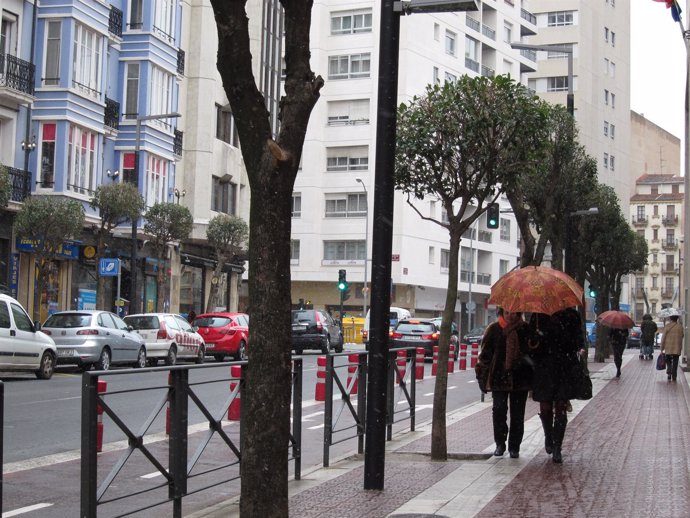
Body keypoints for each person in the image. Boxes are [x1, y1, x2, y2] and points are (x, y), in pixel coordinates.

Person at [475, 308, 533, 459]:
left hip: (520, 377)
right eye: (507, 312)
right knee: (499, 409)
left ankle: (515, 446)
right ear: (501, 312)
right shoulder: (494, 329)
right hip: (499, 377)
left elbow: (532, 351)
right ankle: (500, 443)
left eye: (513, 312)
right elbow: (486, 353)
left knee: (518, 414)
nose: (510, 315)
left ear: (519, 313)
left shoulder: (525, 329)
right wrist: (482, 371)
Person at [528, 308, 584, 464]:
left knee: (561, 404)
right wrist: (538, 338)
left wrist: (578, 346)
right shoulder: (538, 315)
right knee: (545, 406)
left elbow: (578, 338)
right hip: (544, 366)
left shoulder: (572, 315)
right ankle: (548, 436)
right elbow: (531, 341)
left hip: (564, 366)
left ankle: (557, 446)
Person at [661, 314, 684, 382]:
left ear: (670, 319)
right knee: (675, 361)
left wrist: (662, 348)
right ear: (677, 319)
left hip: (668, 347)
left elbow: (663, 338)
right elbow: (682, 335)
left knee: (668, 360)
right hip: (677, 346)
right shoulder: (680, 327)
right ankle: (674, 375)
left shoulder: (667, 326)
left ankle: (669, 373)